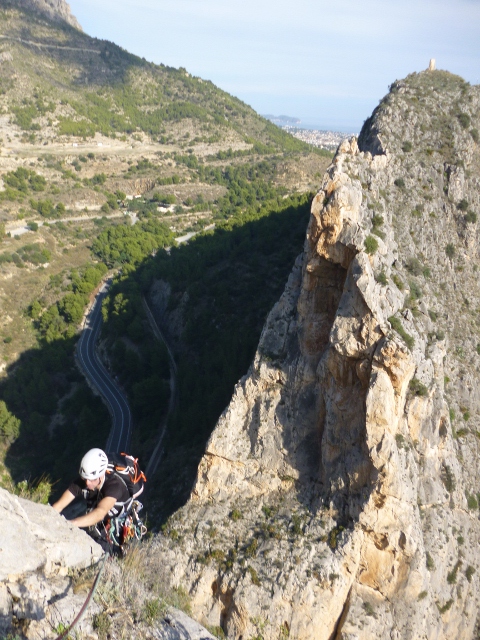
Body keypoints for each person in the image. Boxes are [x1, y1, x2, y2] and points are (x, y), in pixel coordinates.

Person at [52, 448, 135, 550]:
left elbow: (100, 513)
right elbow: (58, 506)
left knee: (104, 554)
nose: (87, 483)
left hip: (116, 529)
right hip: (97, 524)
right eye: (85, 479)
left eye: (92, 479)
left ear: (101, 476)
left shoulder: (114, 486)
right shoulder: (84, 482)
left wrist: (71, 524)